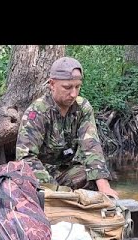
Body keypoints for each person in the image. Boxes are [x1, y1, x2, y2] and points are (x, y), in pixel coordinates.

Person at [15, 56, 119, 199]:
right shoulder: (37, 112)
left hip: (66, 171)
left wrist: (104, 187)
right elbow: (25, 159)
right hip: (40, 174)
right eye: (67, 87)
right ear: (52, 84)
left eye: (77, 87)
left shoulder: (82, 108)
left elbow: (91, 147)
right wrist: (56, 191)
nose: (74, 94)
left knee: (95, 178)